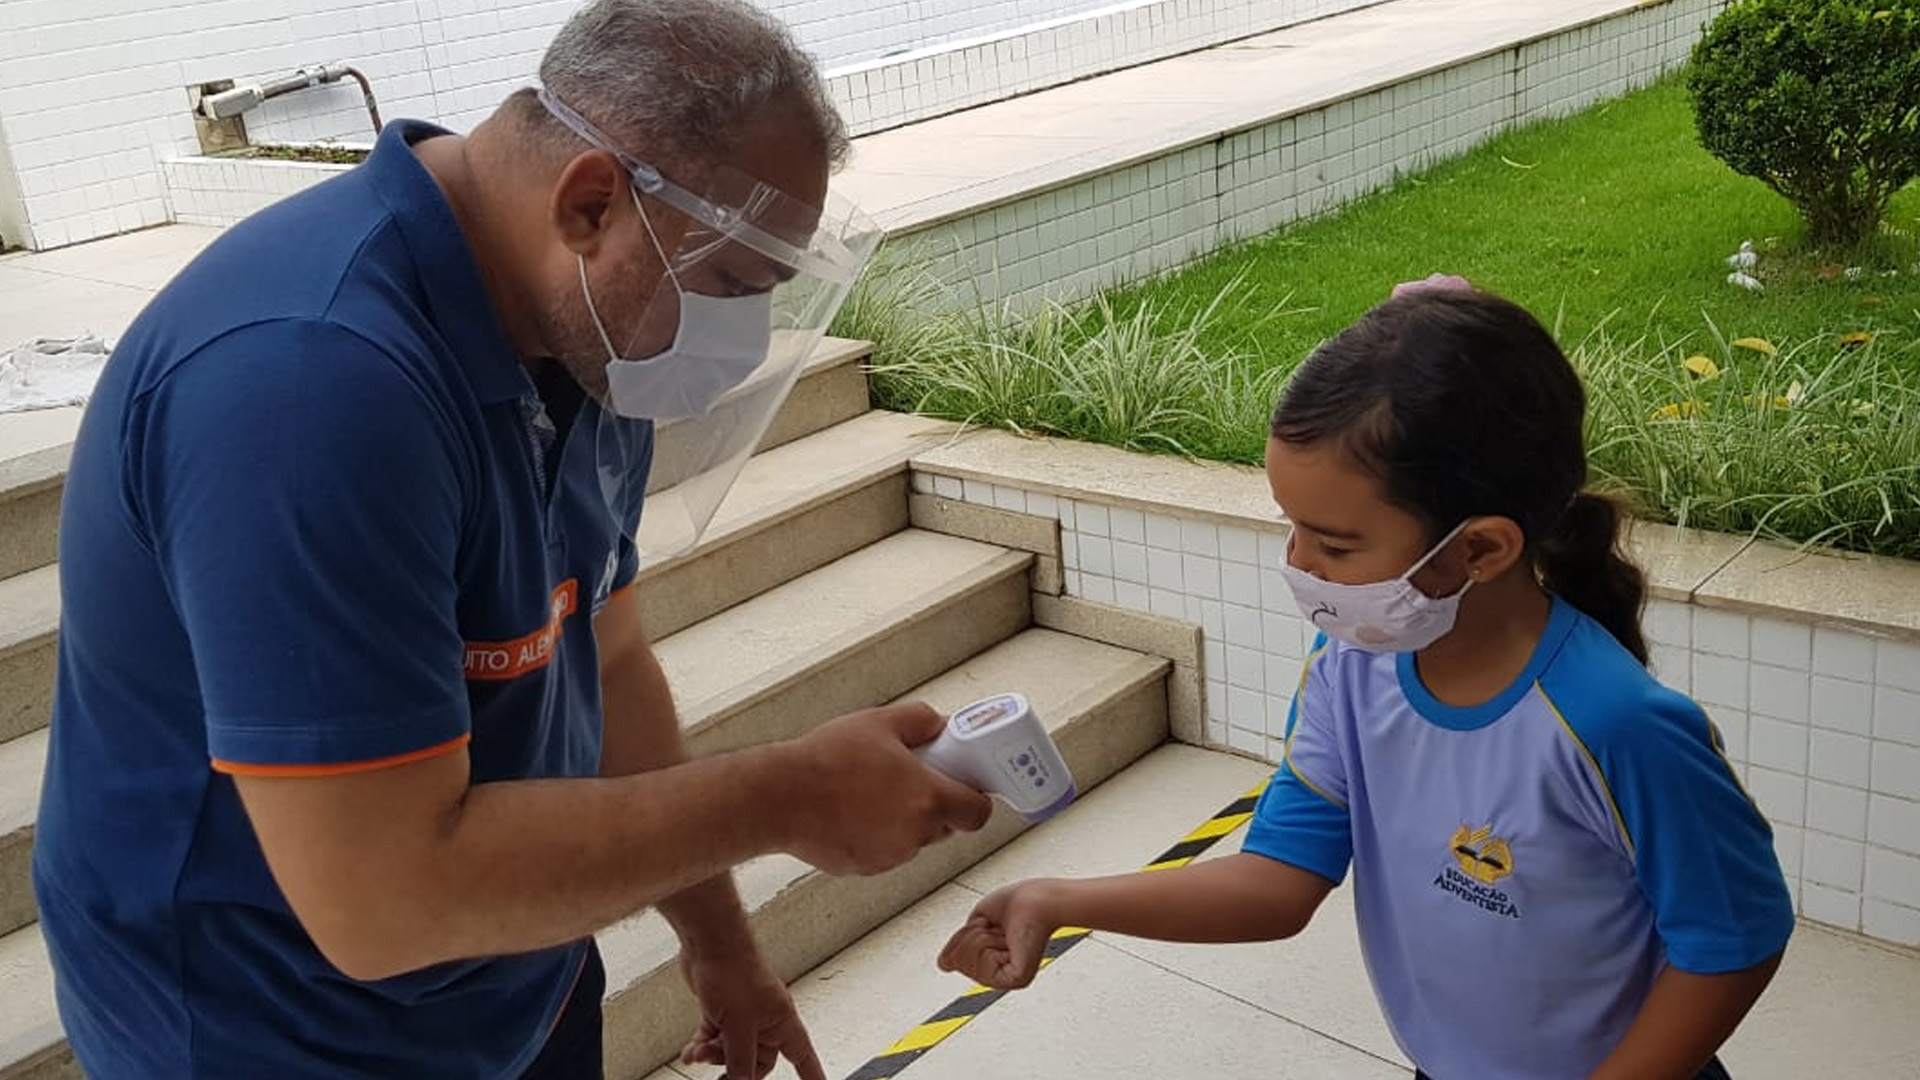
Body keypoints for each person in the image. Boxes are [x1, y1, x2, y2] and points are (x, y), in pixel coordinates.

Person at [33, 1, 994, 1078]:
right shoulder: (308, 389)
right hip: (277, 1029)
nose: (737, 335)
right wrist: (786, 796)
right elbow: (381, 903)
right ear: (589, 203)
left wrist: (719, 941)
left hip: (512, 979)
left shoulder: (579, 330)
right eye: (729, 284)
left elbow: (608, 656)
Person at [938, 282, 1796, 1080]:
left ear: (1481, 549)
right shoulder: (1352, 668)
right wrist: (1061, 899)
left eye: (1335, 544)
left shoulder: (1619, 726)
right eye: (1292, 528)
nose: (1299, 565)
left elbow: (1735, 940)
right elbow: (1279, 878)